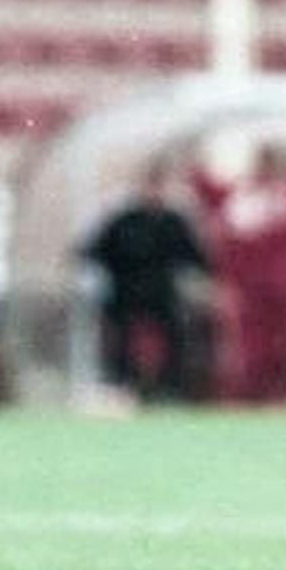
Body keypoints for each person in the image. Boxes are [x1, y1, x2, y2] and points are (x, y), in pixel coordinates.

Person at [81, 157, 212, 400]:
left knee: (176, 336)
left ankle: (170, 388)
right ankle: (120, 386)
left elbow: (195, 257)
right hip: (125, 292)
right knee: (118, 340)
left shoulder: (174, 222)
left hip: (161, 292)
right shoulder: (123, 220)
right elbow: (94, 251)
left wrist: (209, 279)